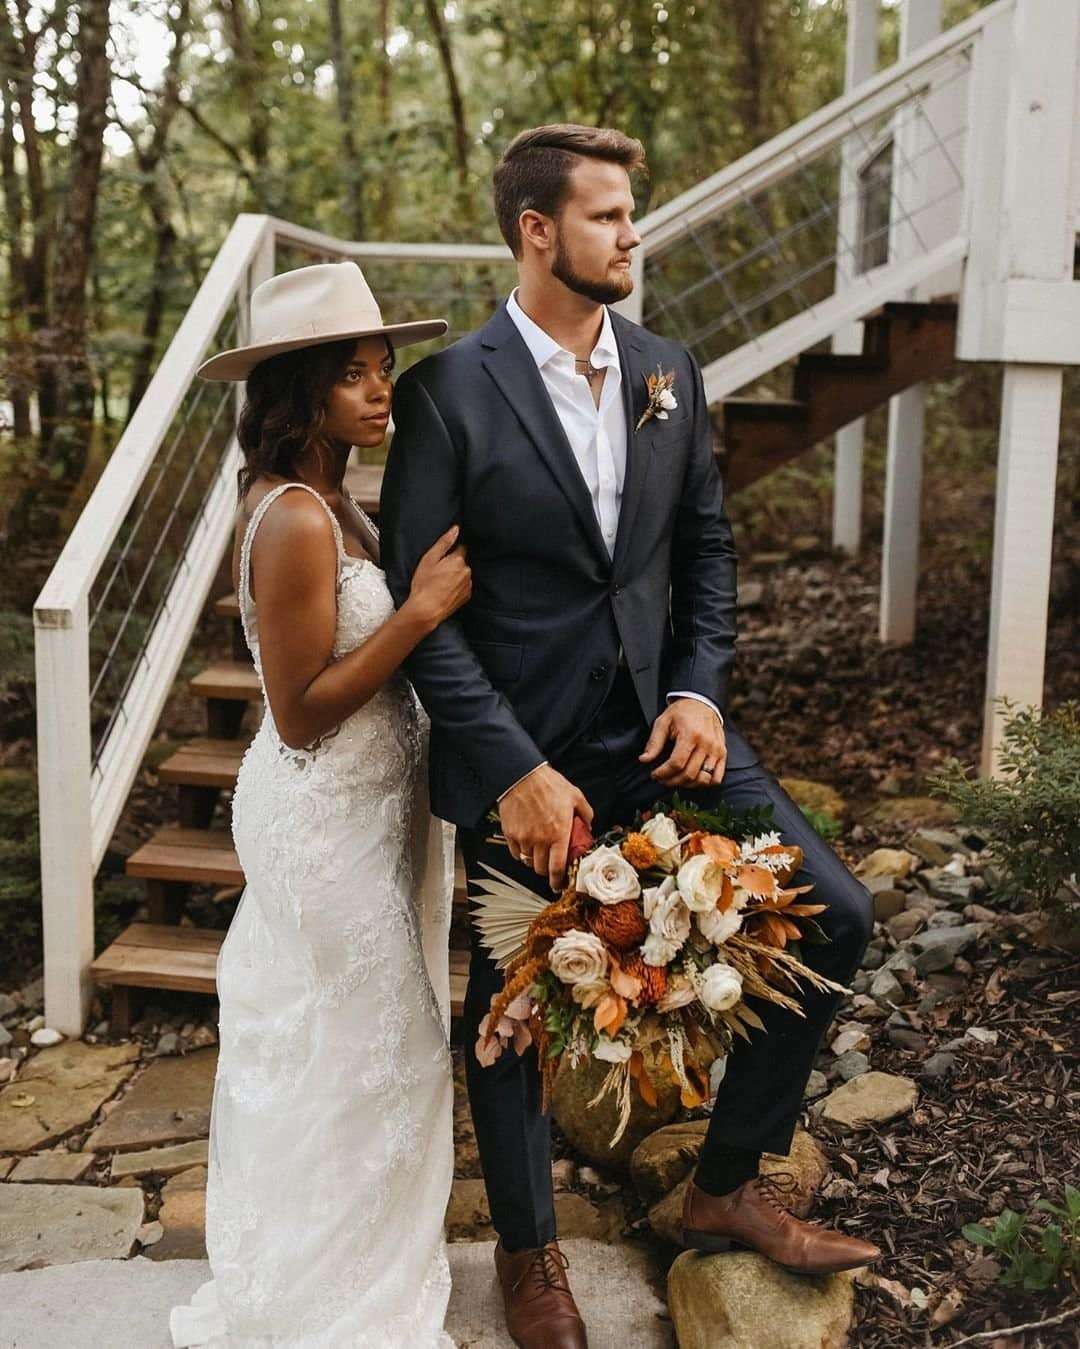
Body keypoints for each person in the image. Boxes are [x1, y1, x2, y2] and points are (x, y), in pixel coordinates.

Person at [381, 124, 882, 1349]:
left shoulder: (673, 368)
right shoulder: (447, 390)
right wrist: (511, 768)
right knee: (511, 1006)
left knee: (836, 912)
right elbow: (421, 612)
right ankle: (529, 1249)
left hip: (667, 735)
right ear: (537, 231)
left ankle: (724, 1179)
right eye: (607, 215)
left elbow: (704, 550)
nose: (633, 234)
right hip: (526, 757)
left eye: (630, 213)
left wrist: (702, 691)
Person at [169, 260, 470, 1348]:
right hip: (321, 814)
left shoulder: (337, 495)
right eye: (355, 374)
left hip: (365, 811)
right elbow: (299, 712)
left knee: (359, 1044)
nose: (382, 390)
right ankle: (333, 1296)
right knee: (367, 1043)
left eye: (385, 369)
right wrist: (419, 612)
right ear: (302, 391)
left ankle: (351, 1254)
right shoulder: (294, 516)